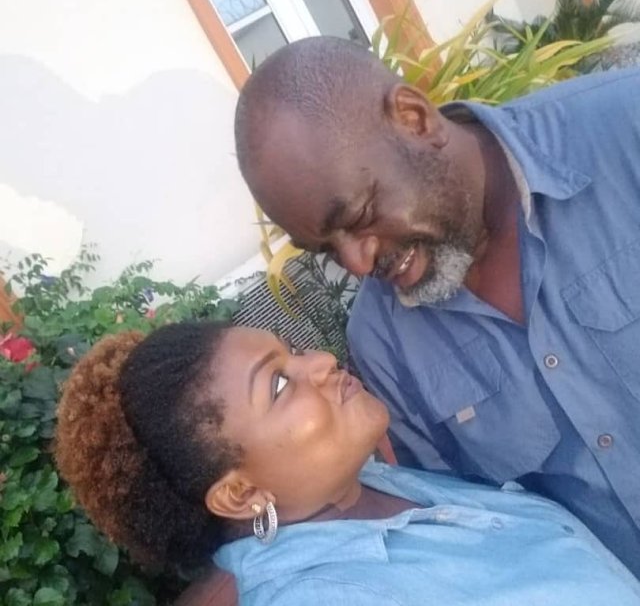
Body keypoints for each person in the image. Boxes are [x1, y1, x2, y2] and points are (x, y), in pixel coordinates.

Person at [233, 36, 640, 576]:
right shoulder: (384, 341)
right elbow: (477, 529)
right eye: (326, 250)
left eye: (360, 216)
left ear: (415, 119)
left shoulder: (625, 129)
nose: (357, 263)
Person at [54, 321, 640, 605]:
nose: (321, 362)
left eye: (291, 351)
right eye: (279, 384)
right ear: (240, 494)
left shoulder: (360, 485)